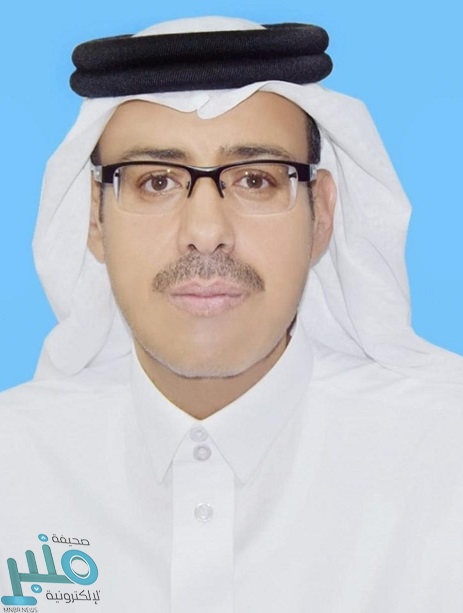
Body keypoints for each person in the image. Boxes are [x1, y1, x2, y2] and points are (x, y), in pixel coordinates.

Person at [1, 15, 462, 613]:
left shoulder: (445, 454)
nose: (206, 231)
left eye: (255, 180)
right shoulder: (16, 461)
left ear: (321, 214)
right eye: (156, 182)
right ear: (94, 219)